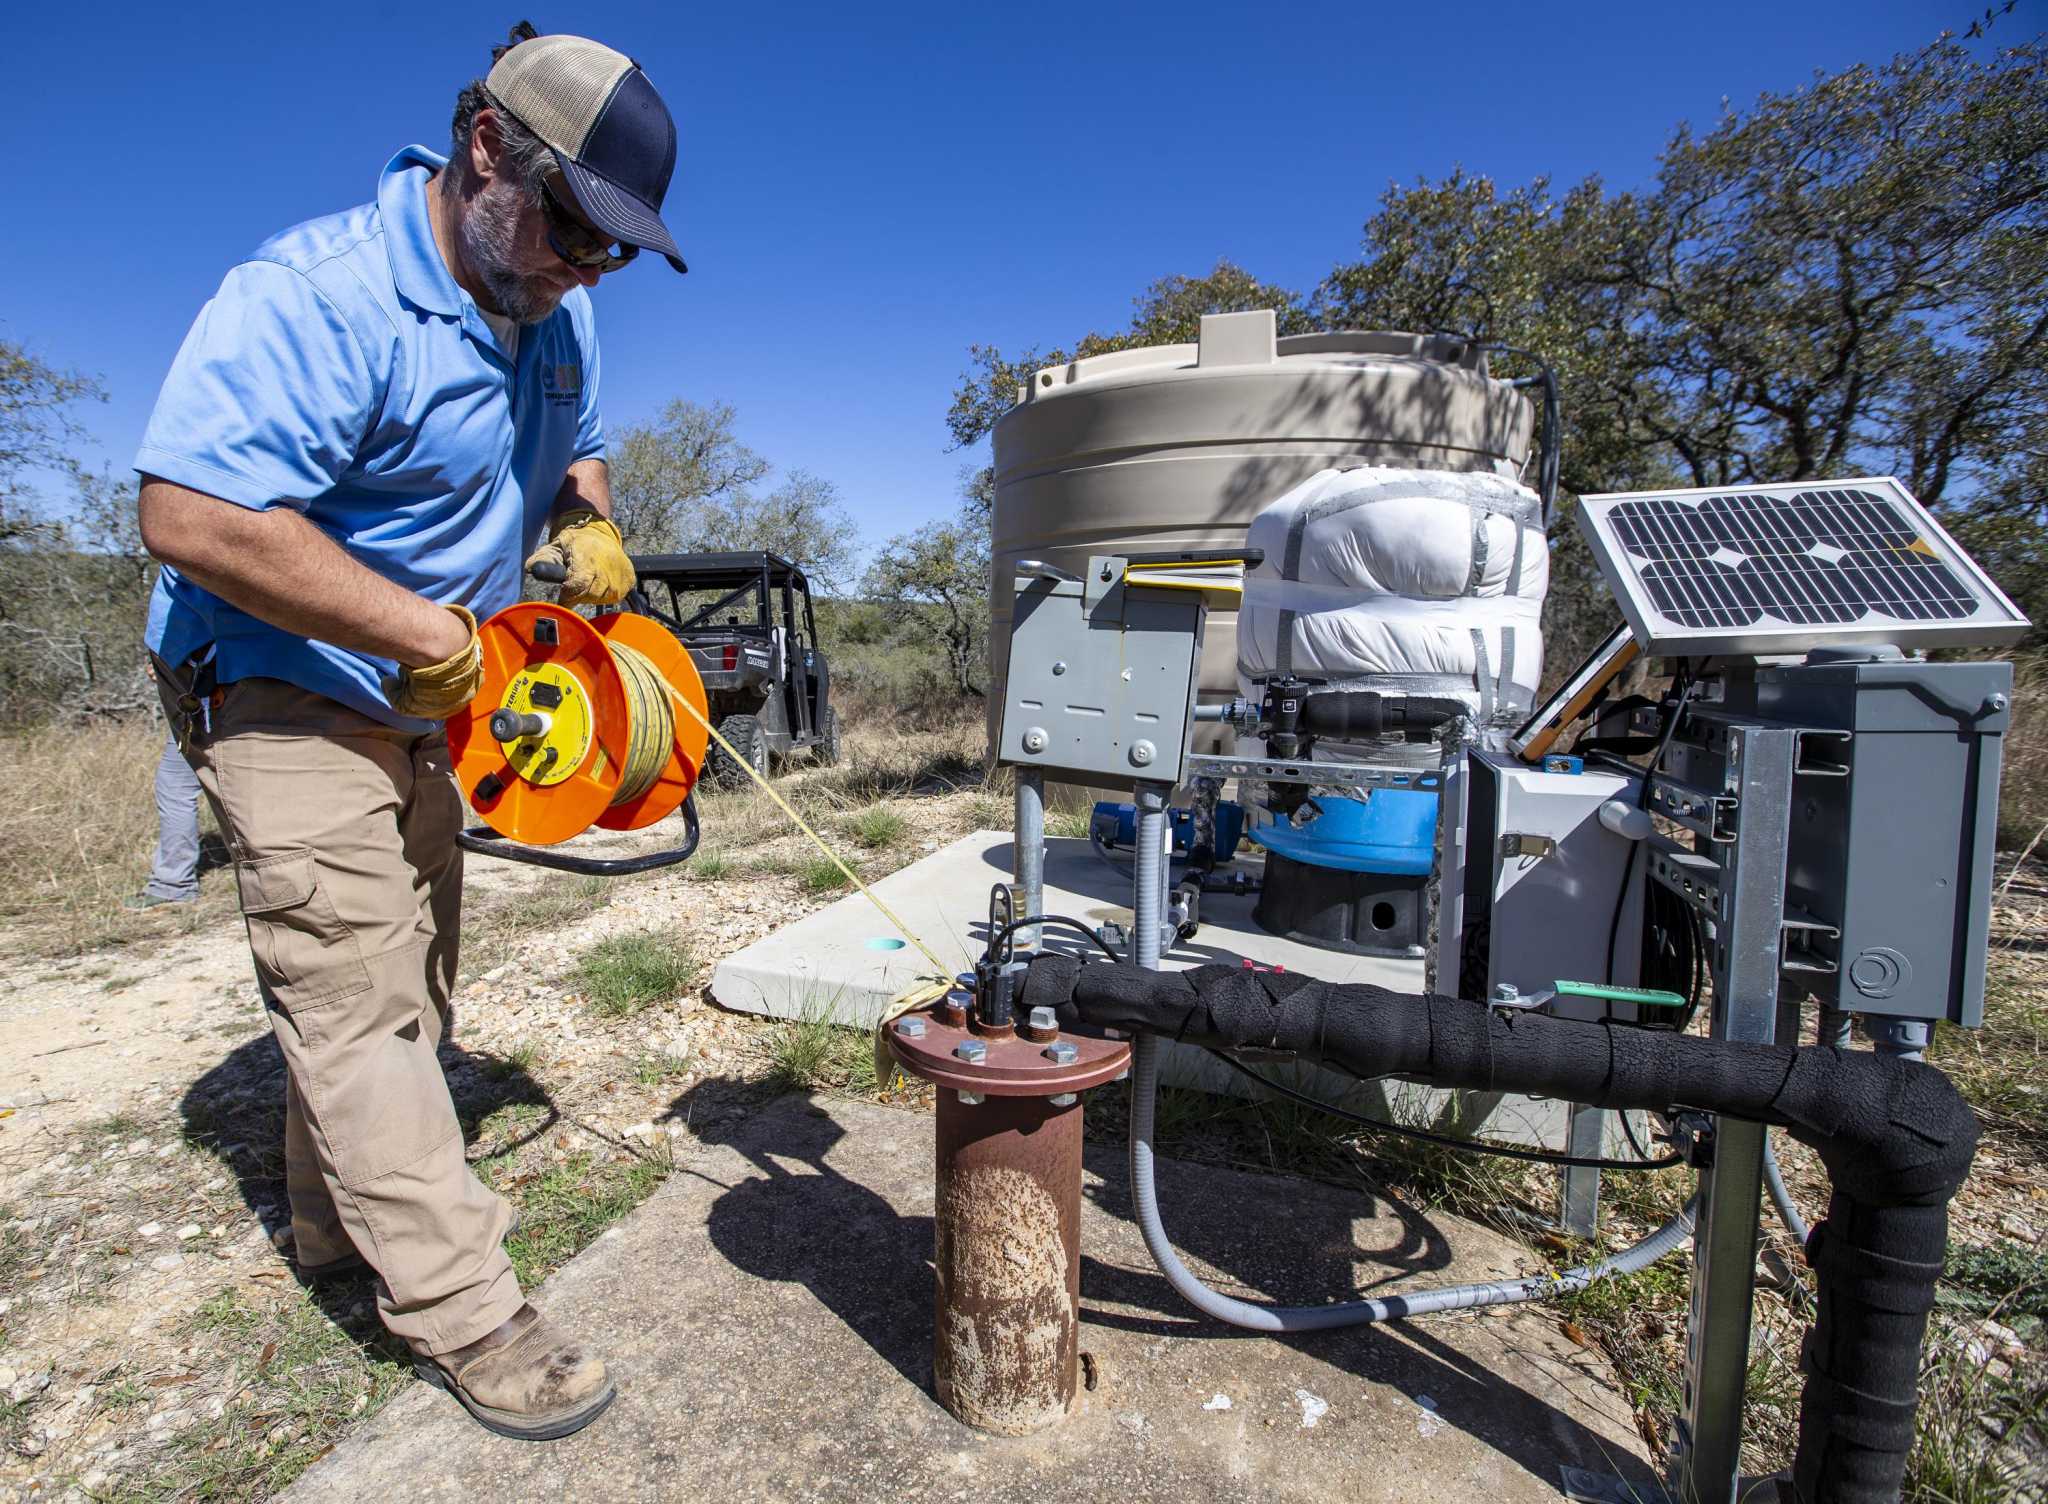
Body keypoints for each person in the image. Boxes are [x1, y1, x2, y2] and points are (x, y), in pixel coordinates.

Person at [133, 25, 685, 1441]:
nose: (585, 268)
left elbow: (577, 442)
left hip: (433, 699)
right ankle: (464, 1311)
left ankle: (336, 1231)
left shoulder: (561, 304)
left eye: (616, 250)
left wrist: (589, 528)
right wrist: (428, 634)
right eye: (574, 227)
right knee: (360, 989)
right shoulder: (313, 297)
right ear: (485, 146)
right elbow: (192, 516)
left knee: (406, 977)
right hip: (279, 680)